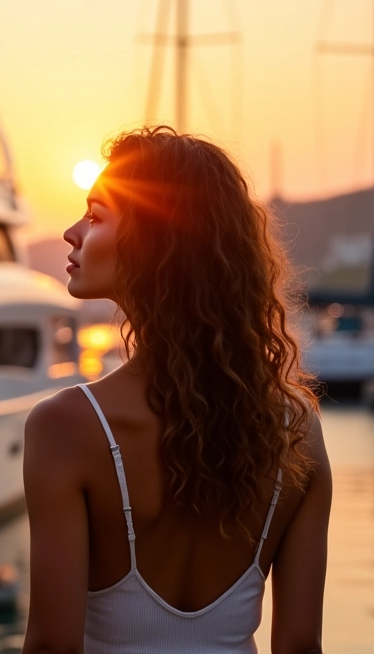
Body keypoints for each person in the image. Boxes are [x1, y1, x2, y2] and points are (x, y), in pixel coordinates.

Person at [21, 127, 331, 654]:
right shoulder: (296, 428)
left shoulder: (67, 427)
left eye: (95, 216)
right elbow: (299, 644)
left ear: (152, 243)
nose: (72, 233)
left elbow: (54, 644)